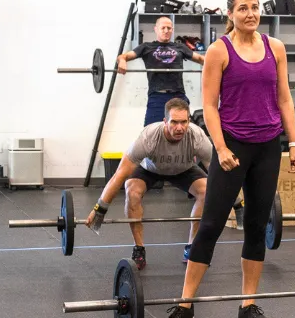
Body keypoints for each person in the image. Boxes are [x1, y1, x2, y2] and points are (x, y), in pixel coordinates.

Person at [156, 0, 295, 318]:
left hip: (267, 146)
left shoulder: (275, 48)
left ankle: (247, 305)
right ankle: (185, 304)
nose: (250, 13)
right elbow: (208, 106)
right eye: (242, 8)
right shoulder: (219, 51)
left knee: (255, 226)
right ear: (230, 14)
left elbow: (284, 97)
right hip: (233, 146)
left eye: (254, 7)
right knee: (211, 225)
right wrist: (220, 148)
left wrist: (293, 142)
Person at [86, 98, 213, 269]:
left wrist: (238, 204)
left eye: (184, 122)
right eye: (174, 122)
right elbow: (120, 174)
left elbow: (218, 171)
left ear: (189, 121)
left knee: (207, 191)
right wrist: (99, 210)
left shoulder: (197, 136)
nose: (180, 127)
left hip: (184, 170)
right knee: (132, 191)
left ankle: (192, 248)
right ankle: (139, 249)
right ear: (165, 121)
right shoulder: (149, 137)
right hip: (150, 169)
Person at [118, 16, 205, 125]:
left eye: (169, 28)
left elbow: (201, 59)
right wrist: (122, 61)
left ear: (172, 30)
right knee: (150, 131)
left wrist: (219, 66)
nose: (166, 31)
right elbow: (124, 56)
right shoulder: (146, 47)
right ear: (156, 29)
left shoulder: (180, 47)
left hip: (178, 95)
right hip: (157, 96)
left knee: (182, 131)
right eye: (163, 28)